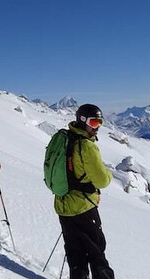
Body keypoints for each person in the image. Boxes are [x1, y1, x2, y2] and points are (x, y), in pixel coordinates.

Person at [56, 104, 114, 279]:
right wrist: (110, 174)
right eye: (94, 123)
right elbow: (102, 180)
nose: (97, 128)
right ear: (82, 121)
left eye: (100, 123)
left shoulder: (64, 138)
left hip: (63, 205)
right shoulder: (87, 146)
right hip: (83, 208)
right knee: (96, 251)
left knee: (75, 252)